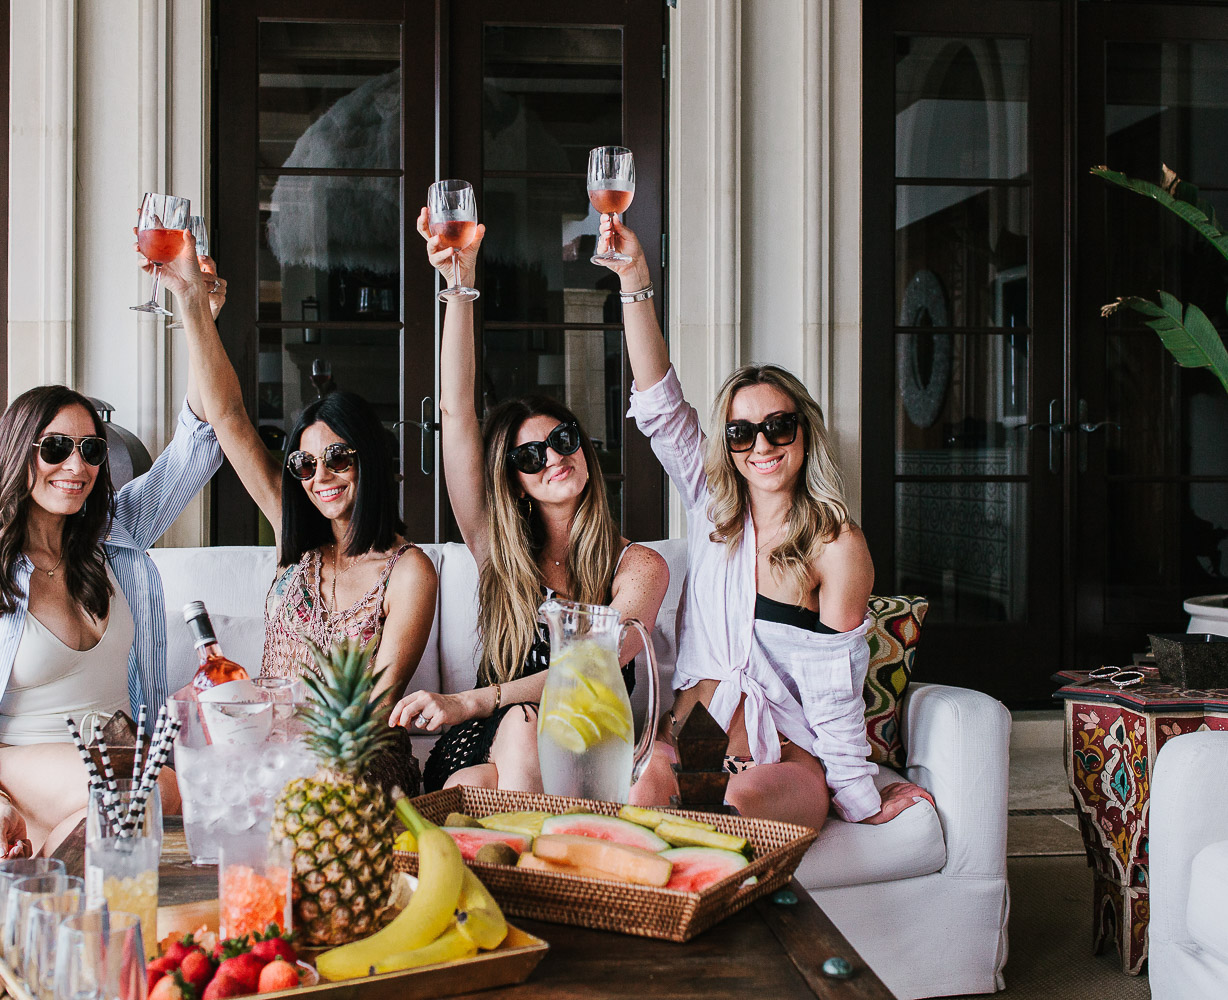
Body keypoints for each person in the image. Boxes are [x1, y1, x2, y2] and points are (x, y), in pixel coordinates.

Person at [0, 238, 232, 866]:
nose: (78, 465)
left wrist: (196, 313)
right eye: (56, 448)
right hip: (20, 762)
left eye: (92, 451)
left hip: (115, 757)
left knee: (107, 853)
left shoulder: (116, 540)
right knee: (156, 794)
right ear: (20, 454)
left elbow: (202, 440)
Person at [599, 214, 934, 829]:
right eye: (742, 432)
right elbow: (660, 406)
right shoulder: (712, 510)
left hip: (783, 760)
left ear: (803, 433)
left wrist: (864, 800)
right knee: (641, 800)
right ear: (727, 446)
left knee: (731, 811)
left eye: (778, 426)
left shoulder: (836, 545)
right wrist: (634, 281)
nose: (763, 445)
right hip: (691, 741)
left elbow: (836, 694)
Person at [391, 211, 669, 795]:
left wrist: (472, 698)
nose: (552, 459)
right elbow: (457, 413)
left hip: (587, 741)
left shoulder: (639, 568)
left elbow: (591, 671)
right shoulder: (499, 550)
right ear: (514, 480)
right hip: (490, 728)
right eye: (530, 457)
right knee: (516, 729)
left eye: (563, 441)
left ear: (584, 448)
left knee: (484, 779)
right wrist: (458, 287)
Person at [176, 273, 438, 795]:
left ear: (370, 461)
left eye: (339, 458)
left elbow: (373, 710)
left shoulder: (408, 571)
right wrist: (191, 304)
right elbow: (226, 415)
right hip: (266, 756)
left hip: (355, 770)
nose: (321, 477)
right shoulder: (295, 540)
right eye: (305, 463)